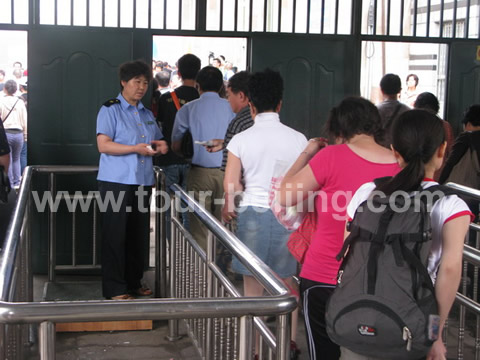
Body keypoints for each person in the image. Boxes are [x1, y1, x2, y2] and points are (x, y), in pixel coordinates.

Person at [342, 110, 472, 360]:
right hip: (412, 329)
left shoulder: (367, 192)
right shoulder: (451, 205)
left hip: (358, 321)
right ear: (442, 150)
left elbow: (348, 253)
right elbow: (449, 272)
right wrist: (434, 336)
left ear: (395, 152)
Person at [278, 97, 400, 360]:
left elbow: (285, 197)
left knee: (324, 354)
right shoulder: (400, 164)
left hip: (324, 277)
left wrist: (308, 152)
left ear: (339, 130)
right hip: (380, 281)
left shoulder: (331, 156)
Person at [223, 68, 307, 357]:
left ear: (251, 104)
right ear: (280, 103)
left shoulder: (241, 140)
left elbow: (231, 183)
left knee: (253, 287)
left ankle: (256, 349)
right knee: (288, 282)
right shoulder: (299, 140)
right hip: (289, 215)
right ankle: (290, 342)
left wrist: (228, 206)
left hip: (253, 216)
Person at [96, 60, 168, 300]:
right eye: (137, 82)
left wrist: (161, 145)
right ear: (124, 82)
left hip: (143, 181)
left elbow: (155, 140)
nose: (141, 87)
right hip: (115, 182)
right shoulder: (110, 109)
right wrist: (135, 148)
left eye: (145, 83)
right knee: (115, 235)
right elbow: (103, 145)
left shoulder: (146, 114)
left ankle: (134, 282)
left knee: (138, 234)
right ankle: (115, 288)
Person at [171, 66, 234, 249]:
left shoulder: (188, 109)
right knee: (226, 227)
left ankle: (203, 277)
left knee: (199, 227)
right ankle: (225, 273)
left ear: (197, 85)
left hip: (199, 174)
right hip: (228, 174)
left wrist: (187, 154)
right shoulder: (232, 108)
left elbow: (176, 145)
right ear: (222, 86)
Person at [155, 53, 201, 234]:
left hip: (168, 159)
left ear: (178, 73)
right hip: (195, 162)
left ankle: (169, 249)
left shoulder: (166, 99)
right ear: (198, 73)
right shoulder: (202, 101)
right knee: (190, 209)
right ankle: (188, 256)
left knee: (166, 209)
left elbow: (159, 129)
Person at [0, 80, 27, 189]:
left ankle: (9, 184)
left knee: (8, 158)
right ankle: (17, 182)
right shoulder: (19, 102)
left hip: (6, 133)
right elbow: (25, 119)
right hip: (19, 133)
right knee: (17, 158)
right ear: (16, 90)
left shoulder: (1, 101)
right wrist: (25, 134)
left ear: (5, 89)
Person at [377, 73, 410, 148]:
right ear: (400, 90)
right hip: (399, 152)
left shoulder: (375, 110)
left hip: (379, 151)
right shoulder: (407, 111)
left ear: (382, 90)